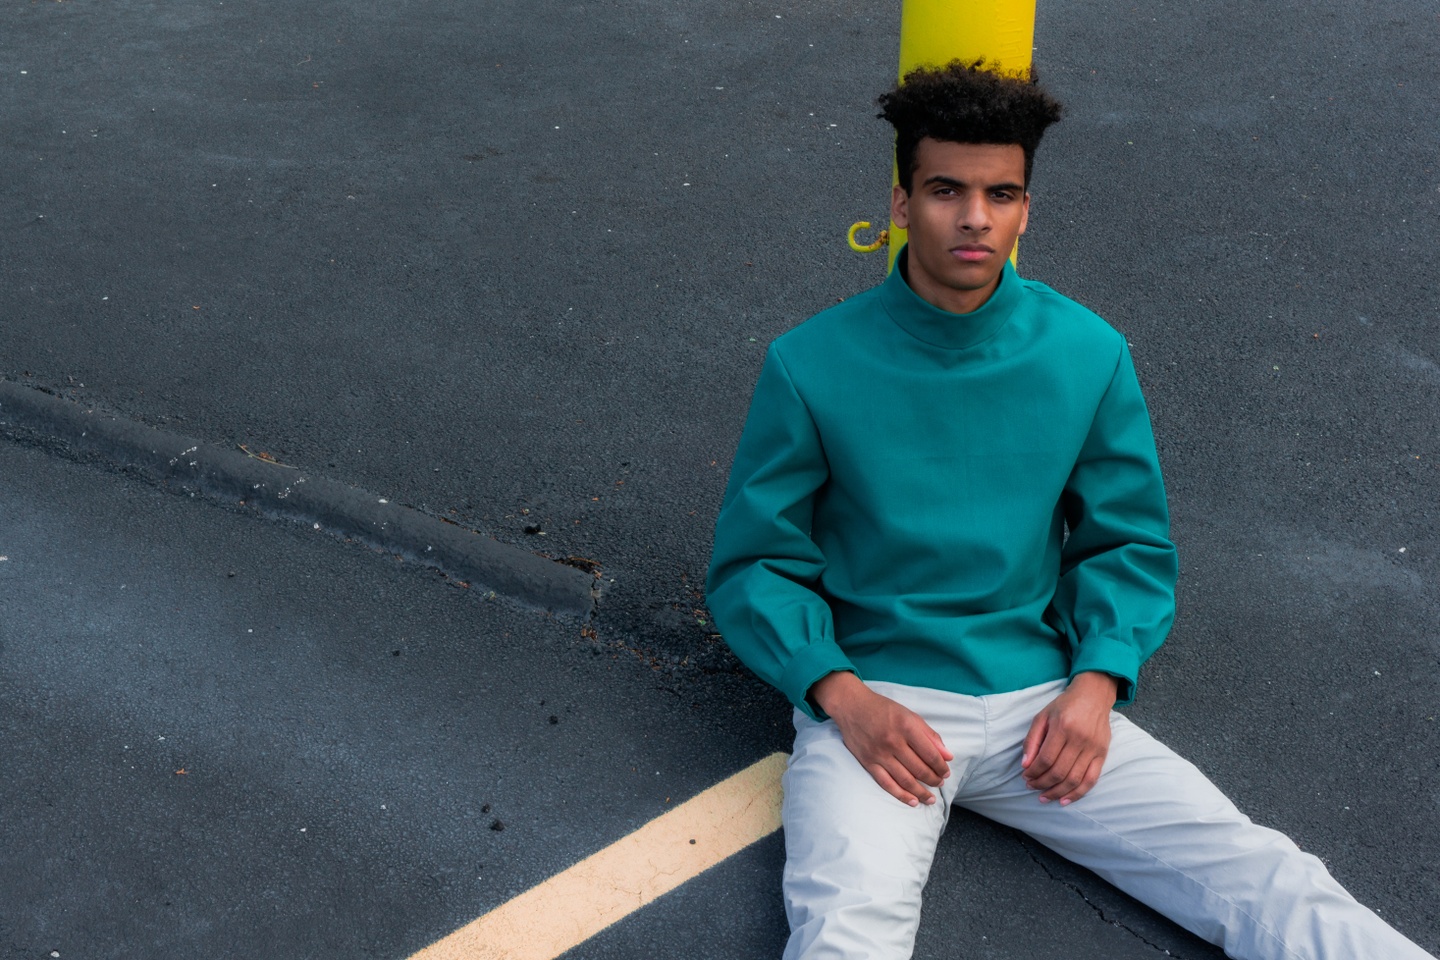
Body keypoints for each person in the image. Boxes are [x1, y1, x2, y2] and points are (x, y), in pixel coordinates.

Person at [705, 60, 1434, 960]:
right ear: (901, 205)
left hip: (1042, 707)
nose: (974, 217)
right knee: (844, 934)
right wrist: (839, 696)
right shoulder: (809, 362)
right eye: (945, 191)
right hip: (879, 706)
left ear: (1024, 210)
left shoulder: (1087, 352)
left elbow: (1126, 542)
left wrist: (1097, 684)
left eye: (1000, 193)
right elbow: (755, 563)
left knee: (1266, 878)